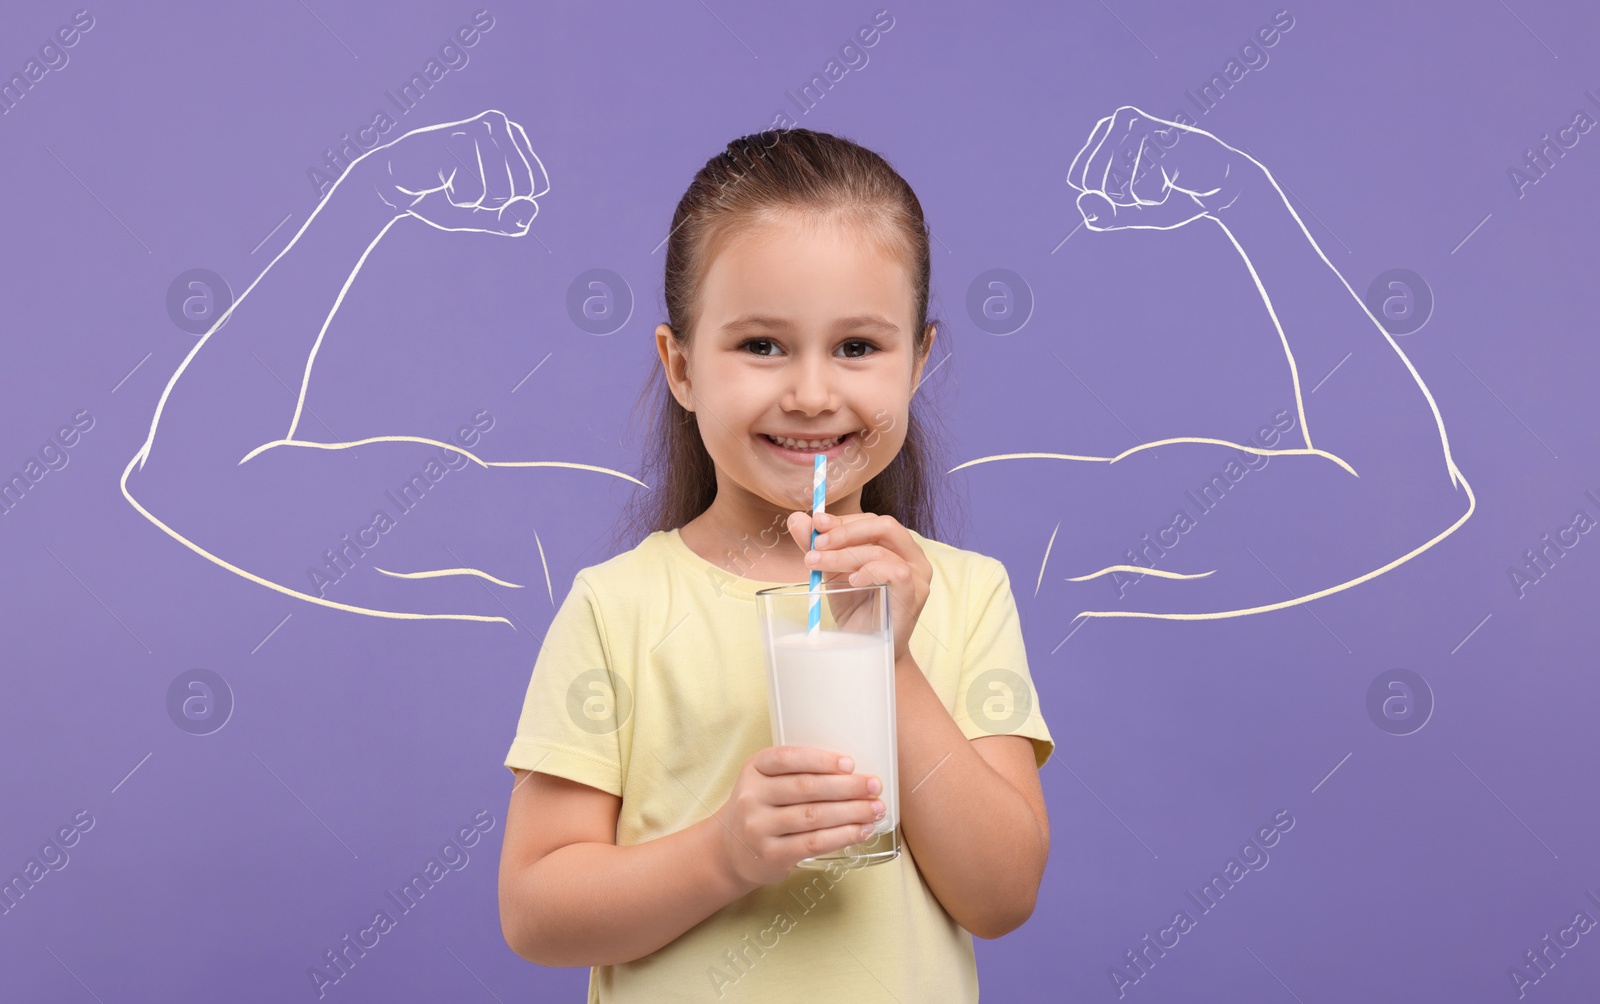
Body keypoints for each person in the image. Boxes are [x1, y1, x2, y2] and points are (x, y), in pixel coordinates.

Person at [498, 127, 1055, 1002]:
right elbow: (537, 911)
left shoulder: (965, 595)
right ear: (681, 367)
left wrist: (892, 658)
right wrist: (725, 854)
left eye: (858, 348)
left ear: (918, 364)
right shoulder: (620, 608)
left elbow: (1001, 894)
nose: (809, 392)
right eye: (761, 345)